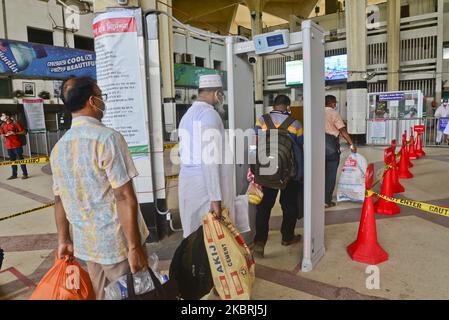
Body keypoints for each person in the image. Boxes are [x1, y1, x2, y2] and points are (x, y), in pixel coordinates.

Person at [50, 76, 149, 300]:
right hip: (118, 246)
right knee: (134, 295)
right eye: (100, 96)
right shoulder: (107, 139)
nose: (103, 102)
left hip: (88, 247)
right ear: (93, 101)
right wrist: (134, 247)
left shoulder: (58, 149)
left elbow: (59, 200)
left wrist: (63, 240)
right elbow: (124, 197)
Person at [178, 74, 235, 239]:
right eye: (221, 94)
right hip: (204, 187)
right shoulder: (209, 115)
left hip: (189, 183)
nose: (221, 98)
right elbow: (209, 160)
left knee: (193, 235)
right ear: (217, 93)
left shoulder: (188, 115)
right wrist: (215, 198)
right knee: (212, 239)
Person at [251, 95, 303, 257]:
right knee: (289, 206)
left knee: (264, 207)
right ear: (287, 107)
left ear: (273, 106)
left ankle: (259, 242)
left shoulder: (261, 121)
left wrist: (254, 168)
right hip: (289, 174)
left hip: (266, 170)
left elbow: (254, 144)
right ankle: (287, 237)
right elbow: (301, 148)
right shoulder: (295, 124)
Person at [325, 95, 356, 208]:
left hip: (317, 147)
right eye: (335, 103)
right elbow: (342, 130)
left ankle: (317, 198)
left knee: (319, 174)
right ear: (332, 103)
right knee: (331, 174)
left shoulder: (316, 112)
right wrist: (351, 143)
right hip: (331, 147)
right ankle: (326, 200)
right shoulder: (334, 113)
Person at [0, 112, 28, 180]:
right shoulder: (2, 125)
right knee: (12, 160)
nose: (2, 116)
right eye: (2, 115)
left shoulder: (15, 123)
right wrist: (3, 135)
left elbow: (24, 132)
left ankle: (25, 174)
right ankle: (14, 175)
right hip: (9, 146)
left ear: (8, 116)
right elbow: (1, 134)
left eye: (3, 115)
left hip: (17, 145)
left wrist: (14, 133)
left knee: (20, 159)